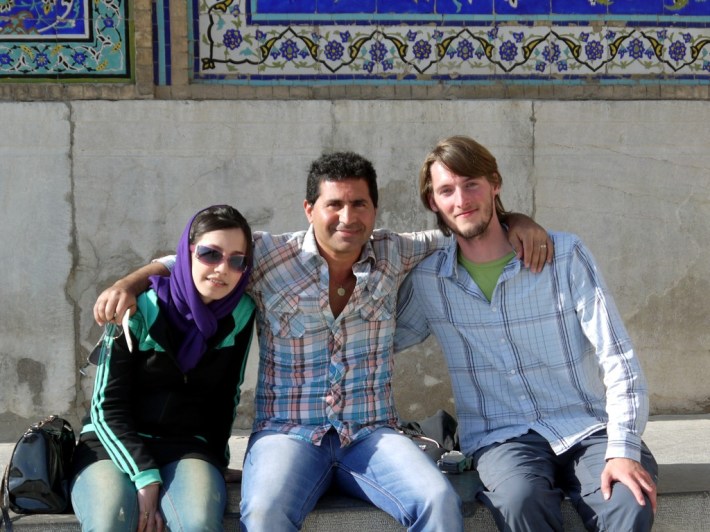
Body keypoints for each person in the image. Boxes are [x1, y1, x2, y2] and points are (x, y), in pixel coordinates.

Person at [92, 151, 552, 531]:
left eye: (359, 204)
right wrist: (127, 285)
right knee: (264, 513)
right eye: (334, 204)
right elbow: (183, 261)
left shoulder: (396, 250)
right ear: (309, 209)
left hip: (371, 433)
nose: (347, 217)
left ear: (374, 210)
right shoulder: (268, 255)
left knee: (438, 500)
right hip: (287, 433)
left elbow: (462, 226)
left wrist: (516, 220)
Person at [394, 136, 658, 532]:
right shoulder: (430, 279)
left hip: (588, 427)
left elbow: (619, 358)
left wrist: (622, 449)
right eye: (447, 190)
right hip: (501, 440)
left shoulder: (563, 255)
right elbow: (380, 337)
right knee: (519, 502)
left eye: (471, 184)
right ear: (433, 201)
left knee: (627, 501)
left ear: (495, 184)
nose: (461, 199)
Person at [71, 205, 256, 532]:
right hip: (112, 442)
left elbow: (225, 398)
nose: (221, 269)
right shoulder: (137, 308)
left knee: (198, 523)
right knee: (110, 520)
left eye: (236, 260)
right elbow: (106, 408)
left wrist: (215, 461)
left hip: (187, 446)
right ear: (187, 253)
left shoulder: (240, 312)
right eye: (210, 254)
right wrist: (145, 476)